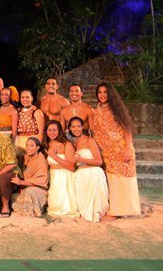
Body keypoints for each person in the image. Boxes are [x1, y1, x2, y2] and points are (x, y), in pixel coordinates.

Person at [91, 83, 141, 220]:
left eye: (105, 92)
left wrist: (128, 150)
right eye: (100, 92)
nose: (102, 95)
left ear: (110, 94)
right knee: (113, 180)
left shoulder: (115, 108)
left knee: (123, 180)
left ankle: (117, 212)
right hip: (108, 151)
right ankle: (116, 208)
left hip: (121, 149)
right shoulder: (98, 109)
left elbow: (127, 128)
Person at [72, 116, 109, 223]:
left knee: (94, 212)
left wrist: (81, 159)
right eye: (73, 127)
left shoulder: (90, 141)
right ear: (69, 128)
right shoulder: (75, 143)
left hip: (93, 173)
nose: (76, 129)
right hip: (81, 176)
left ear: (83, 127)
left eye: (78, 126)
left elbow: (98, 161)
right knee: (84, 211)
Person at [44, 120, 79, 217]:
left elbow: (72, 167)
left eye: (55, 130)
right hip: (53, 177)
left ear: (59, 131)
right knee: (54, 207)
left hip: (65, 176)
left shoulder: (66, 144)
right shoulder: (47, 143)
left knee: (64, 207)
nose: (52, 132)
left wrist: (54, 156)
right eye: (49, 130)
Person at [11, 137, 49, 217]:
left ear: (38, 147)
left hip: (39, 188)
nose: (28, 148)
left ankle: (30, 211)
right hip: (27, 186)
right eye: (27, 145)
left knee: (29, 192)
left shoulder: (41, 161)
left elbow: (41, 181)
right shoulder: (27, 157)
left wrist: (21, 182)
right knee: (13, 196)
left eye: (31, 146)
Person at [16, 89, 45, 154]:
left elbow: (41, 132)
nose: (24, 99)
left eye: (27, 97)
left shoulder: (36, 111)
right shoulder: (18, 110)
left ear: (31, 98)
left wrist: (38, 146)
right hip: (19, 140)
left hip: (32, 140)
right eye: (22, 97)